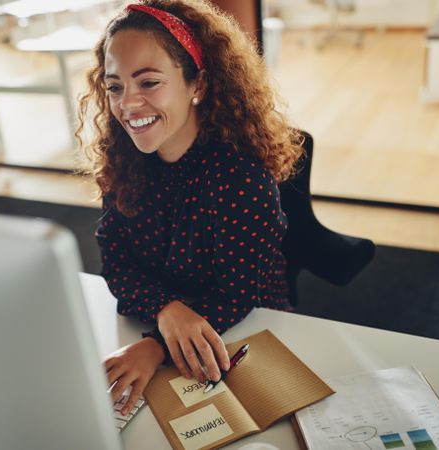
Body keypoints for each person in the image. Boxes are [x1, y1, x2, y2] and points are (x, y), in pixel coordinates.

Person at [75, 0, 303, 415]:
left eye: (148, 82)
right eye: (114, 86)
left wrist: (154, 347)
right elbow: (116, 260)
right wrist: (165, 310)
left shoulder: (240, 179)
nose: (127, 104)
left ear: (197, 85)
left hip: (245, 330)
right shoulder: (124, 161)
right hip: (162, 322)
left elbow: (236, 295)